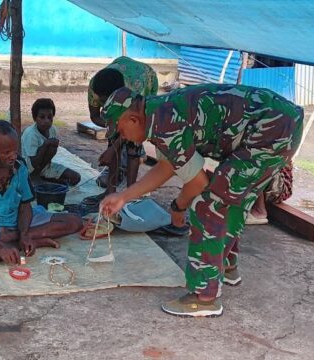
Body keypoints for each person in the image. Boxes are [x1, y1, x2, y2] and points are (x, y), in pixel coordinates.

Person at [99, 85, 303, 317]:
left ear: (133, 119)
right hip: (283, 124)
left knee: (207, 205)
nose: (122, 138)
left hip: (271, 131)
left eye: (120, 131)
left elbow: (198, 183)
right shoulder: (159, 112)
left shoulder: (164, 123)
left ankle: (204, 296)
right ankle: (227, 267)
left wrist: (179, 207)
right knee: (231, 198)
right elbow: (167, 166)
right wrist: (123, 197)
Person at [0, 120, 83, 268]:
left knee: (75, 222)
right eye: (6, 152)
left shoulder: (19, 165)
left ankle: (16, 239)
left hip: (16, 222)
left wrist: (23, 234)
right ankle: (21, 242)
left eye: (14, 150)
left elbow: (25, 206)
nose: (13, 156)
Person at [87, 56, 159, 198]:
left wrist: (113, 149)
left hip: (143, 77)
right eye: (103, 103)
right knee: (115, 141)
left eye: (110, 105)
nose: (105, 107)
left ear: (119, 98)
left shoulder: (136, 91)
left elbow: (137, 124)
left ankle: (130, 192)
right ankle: (111, 189)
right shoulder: (94, 88)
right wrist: (113, 129)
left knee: (134, 145)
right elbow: (95, 116)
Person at [21, 98, 81, 186]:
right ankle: (34, 176)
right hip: (30, 168)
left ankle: (44, 178)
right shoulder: (31, 134)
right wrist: (45, 144)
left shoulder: (52, 130)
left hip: (45, 166)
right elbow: (33, 162)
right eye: (42, 117)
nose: (47, 121)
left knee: (76, 178)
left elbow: (49, 155)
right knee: (51, 147)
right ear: (35, 118)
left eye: (50, 117)